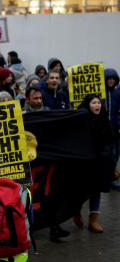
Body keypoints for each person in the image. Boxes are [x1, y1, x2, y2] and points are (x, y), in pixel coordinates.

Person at [73, 95, 114, 233]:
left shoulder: (104, 119)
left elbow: (110, 139)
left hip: (101, 162)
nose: (97, 105)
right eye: (94, 103)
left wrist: (106, 153)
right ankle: (76, 210)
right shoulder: (82, 120)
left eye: (99, 103)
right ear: (88, 105)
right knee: (86, 191)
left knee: (97, 190)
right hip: (86, 162)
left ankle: (93, 221)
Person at [104, 68, 120, 190]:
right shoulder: (100, 93)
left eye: (113, 79)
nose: (111, 81)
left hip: (115, 129)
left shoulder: (117, 94)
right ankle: (107, 179)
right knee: (108, 154)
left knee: (115, 154)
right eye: (109, 79)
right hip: (103, 130)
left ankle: (111, 177)